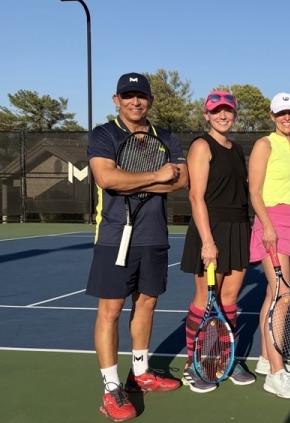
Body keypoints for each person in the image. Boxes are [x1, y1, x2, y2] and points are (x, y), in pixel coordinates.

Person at [86, 73, 188, 421]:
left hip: (155, 236)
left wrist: (135, 181)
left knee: (147, 304)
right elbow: (106, 178)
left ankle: (140, 374)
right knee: (110, 311)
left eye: (141, 96)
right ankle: (111, 388)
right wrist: (157, 176)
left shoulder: (166, 137)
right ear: (117, 100)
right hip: (115, 236)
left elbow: (183, 179)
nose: (135, 102)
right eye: (128, 96)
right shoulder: (104, 134)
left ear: (150, 101)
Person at [179, 91, 256, 393]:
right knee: (204, 301)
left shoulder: (236, 149)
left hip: (239, 227)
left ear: (235, 113)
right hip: (211, 228)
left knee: (230, 299)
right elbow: (196, 196)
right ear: (206, 114)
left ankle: (225, 357)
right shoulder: (201, 145)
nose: (223, 116)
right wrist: (208, 241)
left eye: (228, 111)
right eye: (217, 111)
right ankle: (193, 363)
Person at [248, 92, 290, 399]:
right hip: (272, 222)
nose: (287, 117)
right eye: (281, 113)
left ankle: (264, 357)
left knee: (275, 294)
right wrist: (268, 227)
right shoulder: (264, 144)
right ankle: (276, 372)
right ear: (272, 116)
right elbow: (255, 191)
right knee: (283, 297)